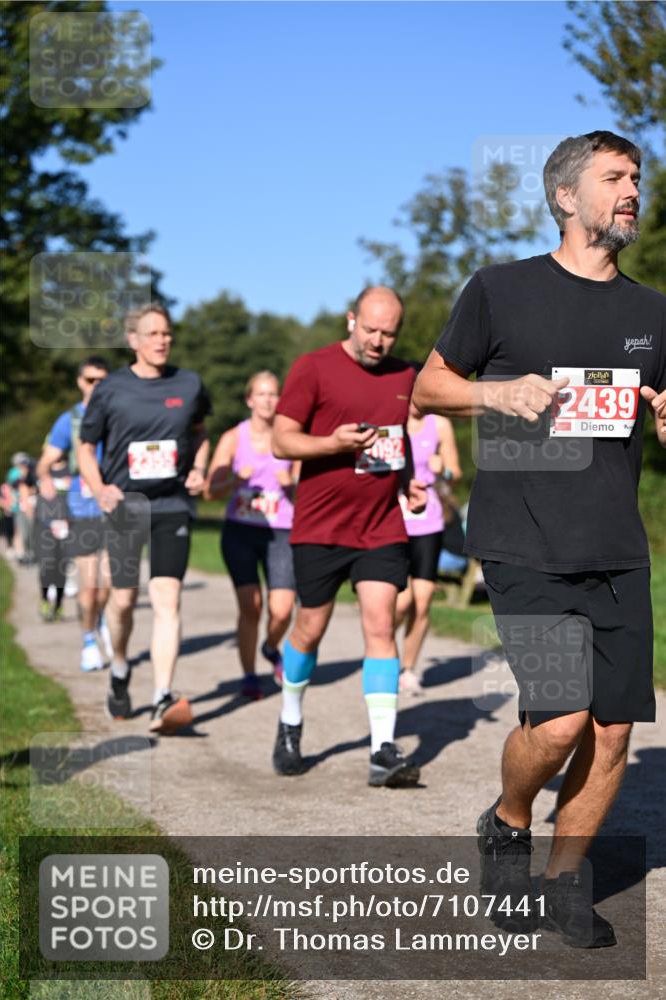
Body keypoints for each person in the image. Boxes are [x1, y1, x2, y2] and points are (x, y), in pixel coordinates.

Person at [414, 131, 665, 947]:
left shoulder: (652, 313)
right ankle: (508, 820)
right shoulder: (500, 289)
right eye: (614, 177)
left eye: (636, 177)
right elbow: (426, 388)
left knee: (613, 730)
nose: (631, 190)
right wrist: (496, 394)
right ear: (563, 195)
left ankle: (562, 886)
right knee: (559, 722)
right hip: (522, 541)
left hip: (616, 548)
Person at [271, 286, 426, 787]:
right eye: (371, 329)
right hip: (320, 525)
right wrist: (331, 443)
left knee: (381, 625)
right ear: (350, 320)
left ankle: (382, 749)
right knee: (308, 628)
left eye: (389, 333)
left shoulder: (404, 375)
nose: (379, 341)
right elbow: (281, 441)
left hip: (381, 524)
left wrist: (408, 482)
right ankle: (290, 719)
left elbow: (397, 438)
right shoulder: (313, 367)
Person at [78, 303, 212, 734]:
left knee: (168, 600)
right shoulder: (111, 389)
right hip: (126, 506)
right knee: (122, 601)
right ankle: (119, 666)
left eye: (167, 333)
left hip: (172, 505)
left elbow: (200, 433)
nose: (162, 340)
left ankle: (161, 697)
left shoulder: (189, 384)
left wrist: (199, 468)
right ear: (133, 340)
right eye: (153, 333)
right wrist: (100, 488)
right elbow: (85, 448)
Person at [205, 371, 298, 699]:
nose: (268, 400)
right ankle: (249, 675)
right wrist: (234, 481)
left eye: (273, 394)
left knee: (283, 609)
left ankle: (270, 647)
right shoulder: (233, 438)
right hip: (241, 531)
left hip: (281, 530)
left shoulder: (290, 437)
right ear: (249, 400)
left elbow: (306, 493)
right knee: (252, 607)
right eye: (261, 394)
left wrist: (291, 485)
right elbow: (209, 491)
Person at [36, 357, 112, 669]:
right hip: (83, 510)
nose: (96, 386)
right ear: (80, 382)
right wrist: (44, 480)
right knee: (89, 584)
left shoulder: (119, 414)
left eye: (102, 381)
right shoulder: (69, 420)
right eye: (91, 380)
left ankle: (100, 618)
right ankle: (88, 641)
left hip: (115, 508)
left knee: (110, 586)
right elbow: (45, 462)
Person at [395, 400, 462, 694]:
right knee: (401, 601)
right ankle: (382, 651)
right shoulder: (390, 422)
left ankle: (408, 669)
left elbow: (455, 473)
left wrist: (443, 469)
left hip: (428, 522)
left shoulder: (439, 424)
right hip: (393, 521)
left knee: (421, 601)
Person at [33, 456, 70, 622]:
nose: (48, 485)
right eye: (44, 483)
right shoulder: (38, 501)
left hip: (62, 542)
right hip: (44, 542)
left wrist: (65, 522)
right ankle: (44, 600)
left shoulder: (63, 499)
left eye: (50, 483)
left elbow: (71, 517)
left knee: (61, 574)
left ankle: (58, 606)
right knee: (46, 571)